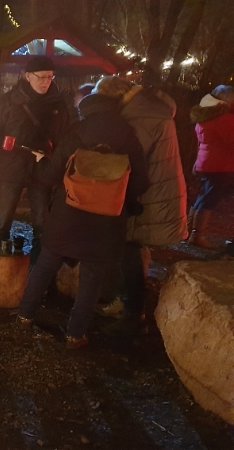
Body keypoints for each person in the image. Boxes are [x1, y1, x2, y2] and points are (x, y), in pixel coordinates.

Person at [16, 93, 149, 350]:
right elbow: (141, 181)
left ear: (86, 111)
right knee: (91, 278)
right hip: (107, 222)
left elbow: (51, 174)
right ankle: (75, 335)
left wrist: (42, 163)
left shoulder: (78, 131)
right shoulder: (128, 135)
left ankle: (25, 316)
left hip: (69, 216)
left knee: (45, 266)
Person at [93, 76, 188, 336]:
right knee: (132, 247)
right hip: (159, 187)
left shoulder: (139, 116)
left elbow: (130, 157)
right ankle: (130, 306)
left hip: (148, 193)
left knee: (128, 248)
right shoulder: (149, 107)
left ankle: (132, 311)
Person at [0, 56, 71, 261]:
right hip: (11, 165)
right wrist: (0, 154)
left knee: (42, 222)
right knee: (3, 220)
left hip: (42, 167)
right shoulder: (9, 101)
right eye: (41, 77)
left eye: (50, 77)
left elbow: (65, 138)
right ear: (27, 76)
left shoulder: (58, 105)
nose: (46, 81)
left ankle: (39, 269)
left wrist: (53, 162)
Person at [187, 85, 234, 249]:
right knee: (209, 200)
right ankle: (197, 235)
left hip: (205, 163)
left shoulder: (204, 117)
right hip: (220, 166)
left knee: (202, 198)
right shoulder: (225, 119)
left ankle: (189, 231)